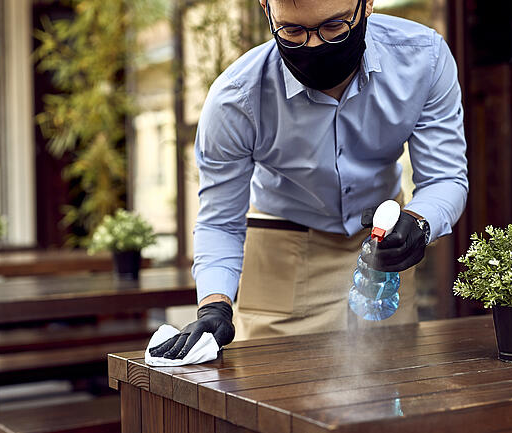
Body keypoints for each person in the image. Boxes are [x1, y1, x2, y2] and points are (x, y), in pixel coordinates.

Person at [150, 0, 468, 360]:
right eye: (293, 31)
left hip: (383, 253)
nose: (315, 46)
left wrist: (419, 222)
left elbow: (446, 177)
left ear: (367, 5)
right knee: (270, 396)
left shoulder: (422, 59)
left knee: (391, 389)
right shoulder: (236, 99)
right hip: (282, 255)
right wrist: (214, 306)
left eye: (334, 27)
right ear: (266, 9)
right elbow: (220, 222)